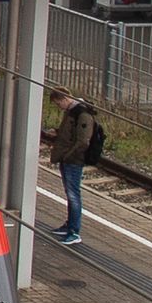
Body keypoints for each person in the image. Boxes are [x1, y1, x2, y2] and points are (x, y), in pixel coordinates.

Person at [47, 91, 106, 245]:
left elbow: (83, 141)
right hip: (69, 158)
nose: (59, 107)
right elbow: (72, 134)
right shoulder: (73, 111)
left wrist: (68, 155)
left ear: (65, 99)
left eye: (59, 104)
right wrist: (59, 133)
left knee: (73, 195)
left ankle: (74, 231)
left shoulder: (82, 114)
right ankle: (69, 226)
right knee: (70, 193)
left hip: (74, 160)